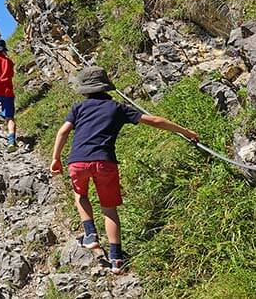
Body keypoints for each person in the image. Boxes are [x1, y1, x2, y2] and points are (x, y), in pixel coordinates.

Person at [49, 66, 199, 274]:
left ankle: (90, 234)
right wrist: (186, 131)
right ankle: (117, 259)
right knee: (109, 209)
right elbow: (154, 121)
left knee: (80, 194)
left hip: (78, 162)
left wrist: (56, 158)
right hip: (105, 162)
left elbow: (63, 131)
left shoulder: (78, 108)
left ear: (85, 90)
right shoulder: (117, 108)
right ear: (106, 87)